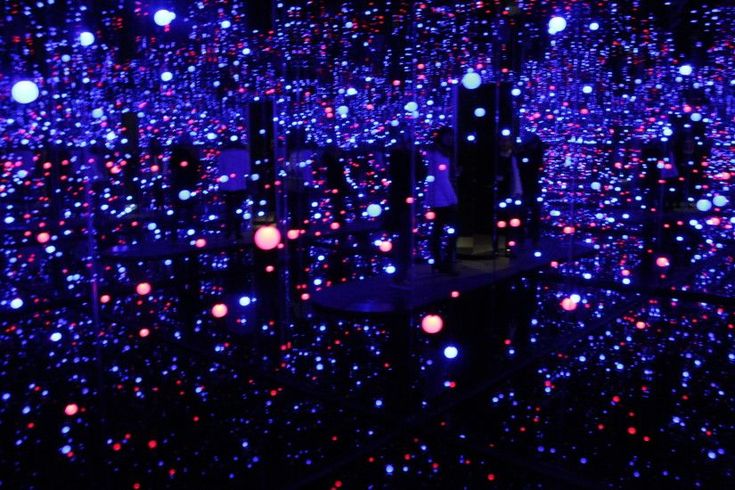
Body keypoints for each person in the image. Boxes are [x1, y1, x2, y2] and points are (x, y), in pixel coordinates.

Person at [387, 132, 424, 285]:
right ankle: (401, 273)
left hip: (410, 197)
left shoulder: (412, 155)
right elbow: (397, 174)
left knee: (407, 234)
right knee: (404, 235)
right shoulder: (397, 156)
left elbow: (421, 174)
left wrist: (415, 156)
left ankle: (404, 271)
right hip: (401, 198)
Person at [424, 127, 458, 273]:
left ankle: (439, 262)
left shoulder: (442, 152)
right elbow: (441, 178)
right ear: (441, 137)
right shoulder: (437, 153)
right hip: (442, 198)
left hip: (439, 197)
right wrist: (453, 199)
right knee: (449, 231)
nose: (450, 139)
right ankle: (445, 262)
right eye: (447, 136)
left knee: (438, 231)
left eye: (451, 136)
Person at [217, 136, 250, 240]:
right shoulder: (244, 153)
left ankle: (228, 232)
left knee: (228, 209)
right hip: (240, 185)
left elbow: (220, 170)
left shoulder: (223, 154)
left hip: (226, 186)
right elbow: (247, 170)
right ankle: (238, 232)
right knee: (238, 208)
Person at [285, 130, 315, 227]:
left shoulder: (294, 154)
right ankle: (305, 224)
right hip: (307, 182)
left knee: (296, 205)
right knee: (304, 204)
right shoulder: (309, 152)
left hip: (297, 183)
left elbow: (291, 169)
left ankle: (296, 224)